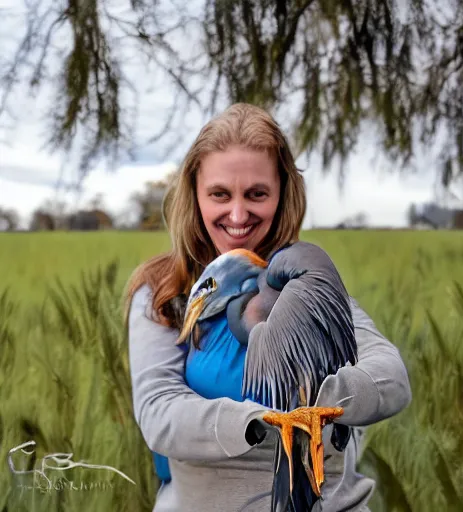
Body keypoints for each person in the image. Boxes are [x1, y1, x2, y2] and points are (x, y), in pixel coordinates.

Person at [126, 103, 412, 512]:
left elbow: (391, 378)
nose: (238, 215)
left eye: (257, 194)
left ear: (281, 196)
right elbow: (160, 413)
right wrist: (266, 421)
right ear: (195, 195)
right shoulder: (163, 293)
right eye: (220, 194)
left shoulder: (308, 288)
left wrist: (320, 404)